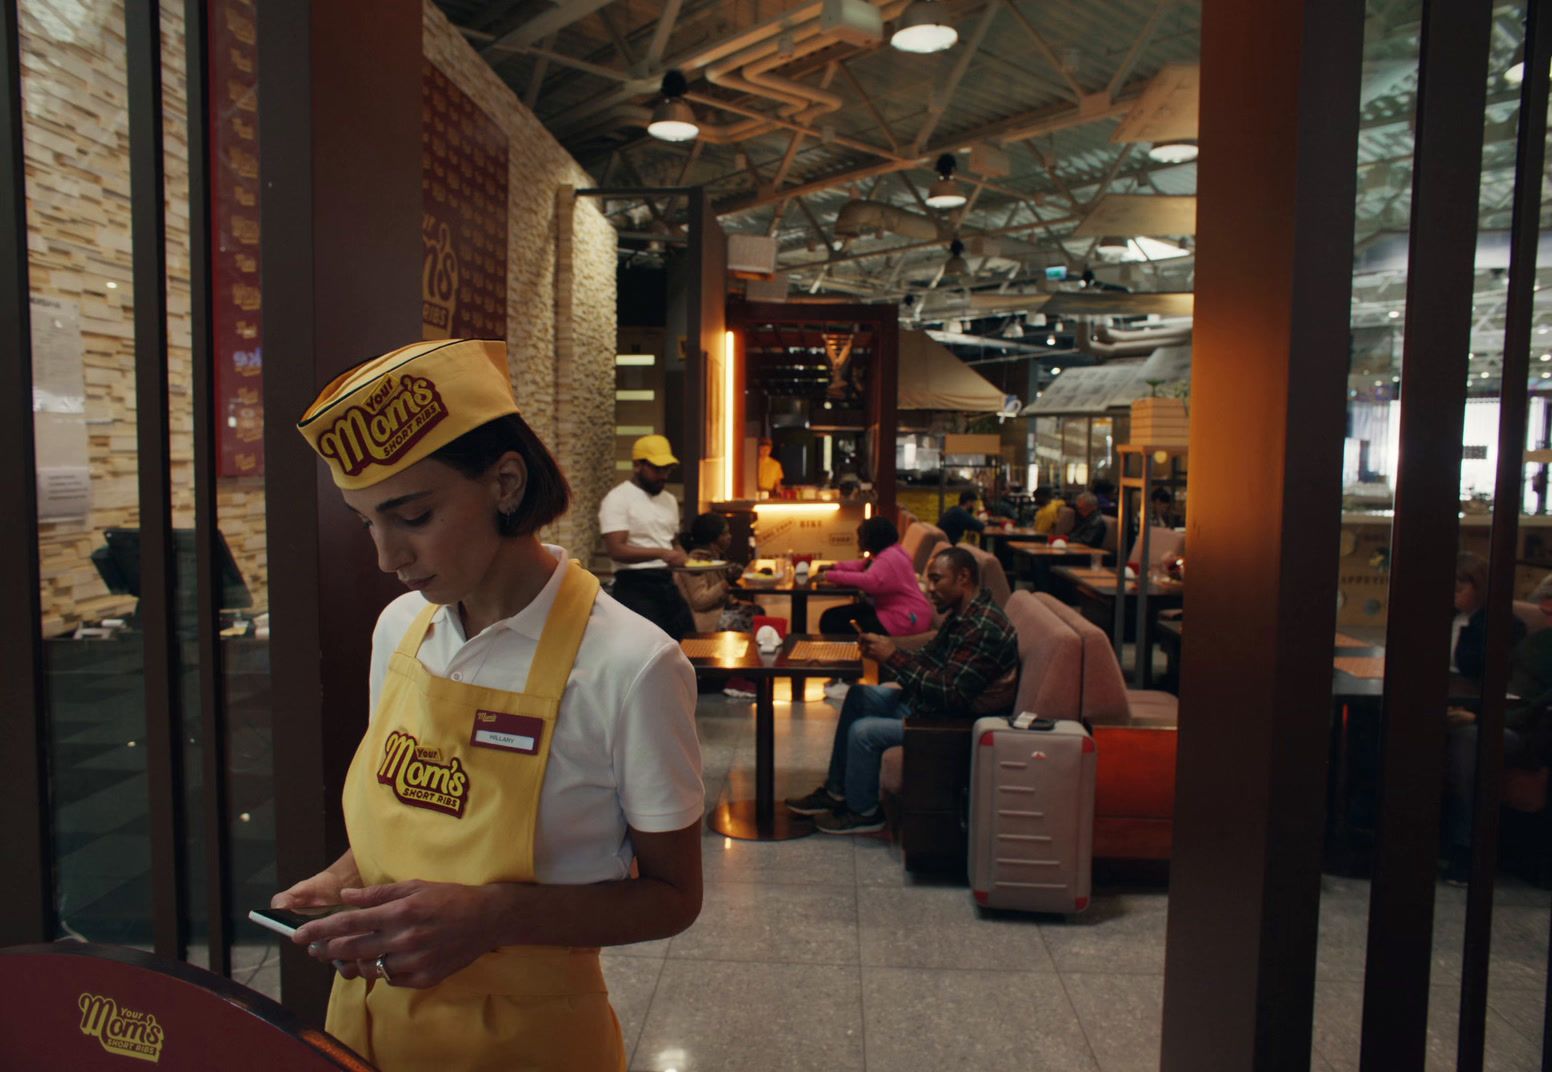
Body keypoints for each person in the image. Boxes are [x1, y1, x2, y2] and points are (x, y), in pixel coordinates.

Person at [280, 339, 703, 1071]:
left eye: (411, 516)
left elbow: (672, 896)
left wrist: (494, 918)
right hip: (365, 1028)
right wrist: (350, 877)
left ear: (506, 482)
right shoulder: (398, 631)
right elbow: (410, 806)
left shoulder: (631, 665)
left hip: (528, 1043)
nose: (387, 557)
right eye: (366, 523)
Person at [785, 545, 1019, 833]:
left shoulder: (983, 628)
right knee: (860, 695)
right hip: (931, 704)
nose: (929, 589)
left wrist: (892, 657)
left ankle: (865, 813)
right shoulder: (964, 613)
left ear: (963, 577)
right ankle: (836, 792)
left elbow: (950, 694)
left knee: (864, 732)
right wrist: (889, 651)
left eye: (936, 580)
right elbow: (931, 655)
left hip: (951, 722)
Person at [1442, 554, 1536, 883]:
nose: (1453, 592)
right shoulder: (1447, 619)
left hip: (1501, 722)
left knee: (1469, 742)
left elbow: (1513, 693)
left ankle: (1464, 848)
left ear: (1479, 587)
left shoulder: (1504, 627)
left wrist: (1474, 715)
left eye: (1460, 585)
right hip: (1451, 710)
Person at [599, 434, 695, 641]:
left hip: (666, 582)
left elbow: (672, 540)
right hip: (634, 584)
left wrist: (684, 557)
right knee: (650, 648)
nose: (663, 475)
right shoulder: (618, 499)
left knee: (689, 641)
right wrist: (662, 553)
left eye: (667, 469)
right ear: (637, 465)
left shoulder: (669, 500)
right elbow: (616, 549)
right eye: (657, 469)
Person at [675, 512, 762, 700]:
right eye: (725, 533)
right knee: (748, 619)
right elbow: (699, 600)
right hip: (702, 620)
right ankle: (739, 678)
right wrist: (724, 584)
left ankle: (748, 675)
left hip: (715, 613)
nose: (730, 537)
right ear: (714, 538)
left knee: (756, 612)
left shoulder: (714, 558)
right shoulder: (695, 562)